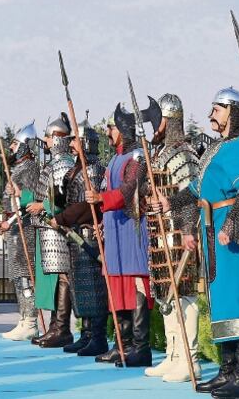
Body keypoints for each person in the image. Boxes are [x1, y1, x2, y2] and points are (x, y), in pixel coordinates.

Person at [169, 87, 239, 399]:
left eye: (218, 109)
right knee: (222, 301)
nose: (211, 114)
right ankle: (227, 372)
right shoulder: (218, 149)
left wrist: (233, 226)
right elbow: (193, 192)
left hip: (234, 236)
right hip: (213, 231)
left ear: (233, 112)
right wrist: (177, 214)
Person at [143, 94, 202, 383]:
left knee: (184, 294)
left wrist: (188, 230)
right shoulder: (161, 153)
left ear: (168, 120)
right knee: (167, 294)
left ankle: (190, 359)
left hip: (179, 233)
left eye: (157, 120)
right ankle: (174, 355)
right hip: (162, 233)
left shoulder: (183, 154)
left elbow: (190, 196)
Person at [93, 104, 153, 367]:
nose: (108, 132)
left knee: (135, 283)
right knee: (117, 286)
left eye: (112, 128)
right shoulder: (114, 159)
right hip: (115, 229)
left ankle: (141, 348)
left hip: (132, 228)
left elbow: (130, 189)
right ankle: (123, 345)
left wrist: (102, 199)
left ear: (124, 129)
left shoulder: (136, 156)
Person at [53, 120, 109, 357]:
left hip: (89, 236)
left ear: (86, 142)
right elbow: (67, 198)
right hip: (76, 236)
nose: (71, 143)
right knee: (81, 288)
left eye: (76, 139)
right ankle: (86, 334)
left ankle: (98, 337)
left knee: (94, 289)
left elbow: (88, 205)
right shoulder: (76, 169)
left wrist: (62, 218)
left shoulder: (93, 170)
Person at [25, 113, 75, 348]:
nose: (45, 141)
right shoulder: (55, 163)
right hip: (48, 228)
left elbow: (63, 197)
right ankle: (56, 326)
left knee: (63, 277)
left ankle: (61, 329)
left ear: (56, 139)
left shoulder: (64, 164)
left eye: (47, 137)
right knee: (57, 278)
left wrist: (42, 206)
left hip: (58, 228)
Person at [0, 122, 40, 341]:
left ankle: (31, 322)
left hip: (25, 228)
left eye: (15, 143)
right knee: (18, 277)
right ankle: (23, 319)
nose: (11, 147)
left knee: (25, 277)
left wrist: (10, 221)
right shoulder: (19, 168)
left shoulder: (30, 168)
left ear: (25, 145)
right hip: (15, 228)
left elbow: (30, 201)